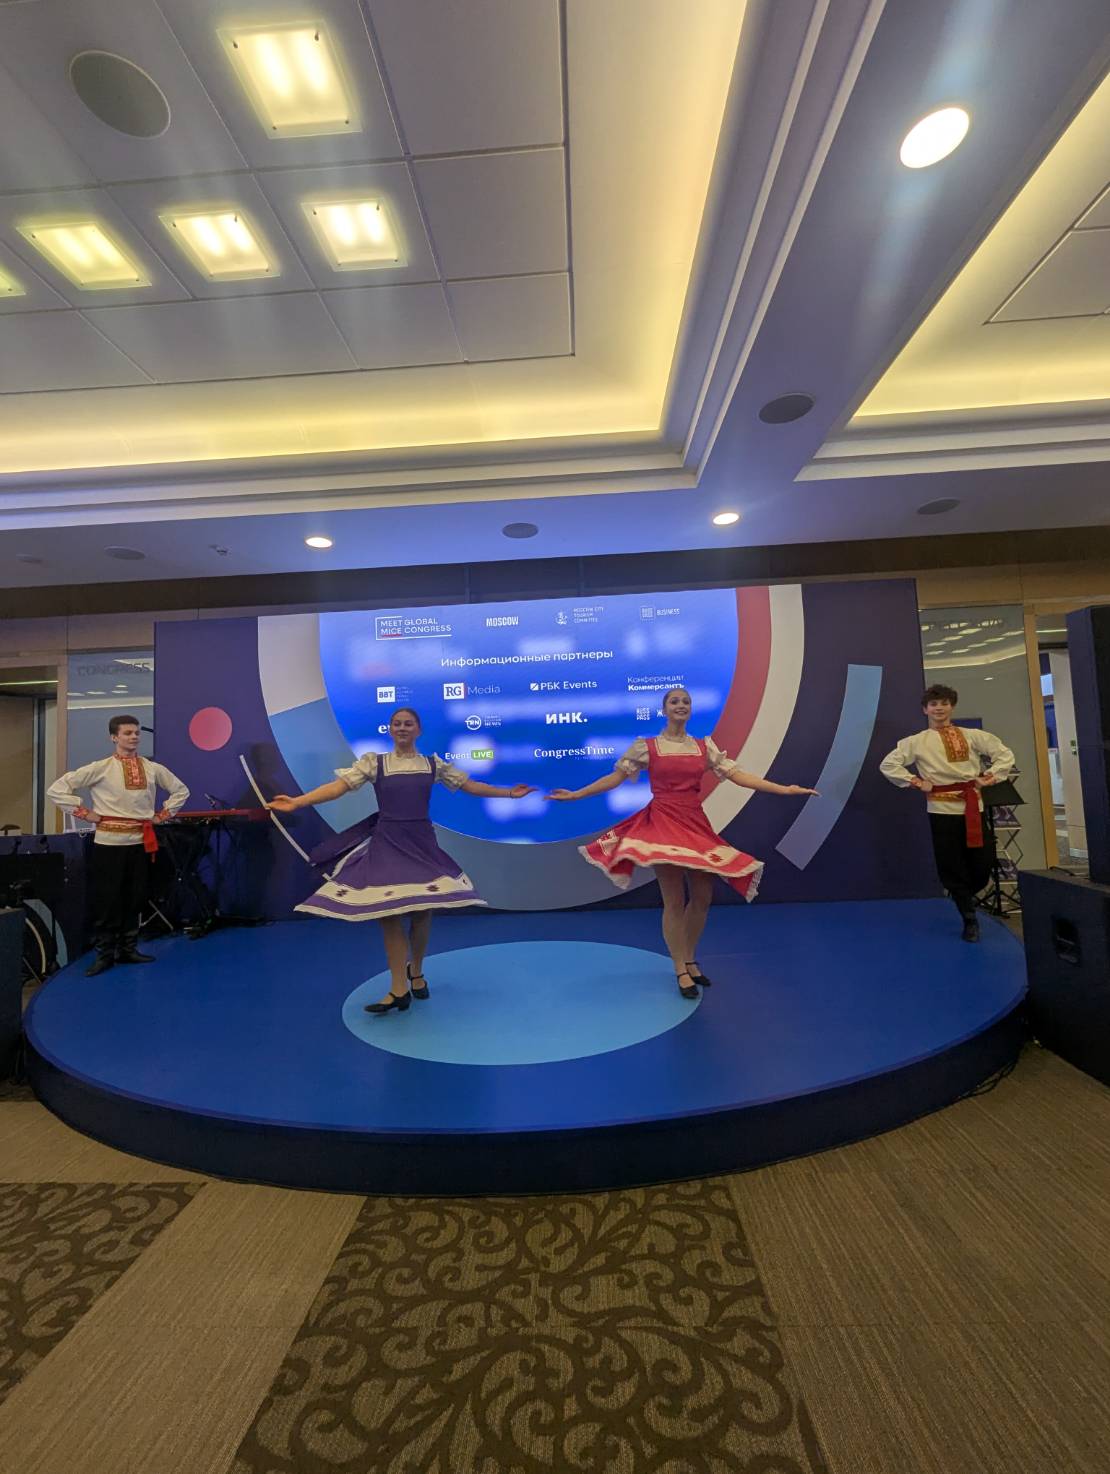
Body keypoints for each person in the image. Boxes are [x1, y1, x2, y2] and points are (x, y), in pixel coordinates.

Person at [548, 688, 817, 997]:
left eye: (686, 701)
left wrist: (784, 789)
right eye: (674, 701)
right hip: (663, 824)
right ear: (664, 710)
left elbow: (739, 776)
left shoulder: (703, 747)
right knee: (674, 899)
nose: (681, 705)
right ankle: (679, 968)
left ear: (691, 709)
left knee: (702, 897)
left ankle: (689, 958)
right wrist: (578, 794)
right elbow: (616, 778)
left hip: (694, 823)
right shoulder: (647, 746)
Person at [267, 707, 534, 1014]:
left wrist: (509, 794)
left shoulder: (433, 764)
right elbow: (338, 787)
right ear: (390, 729)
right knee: (389, 912)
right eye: (397, 724)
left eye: (408, 724)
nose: (402, 728)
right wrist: (298, 801)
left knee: (422, 911)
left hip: (421, 843)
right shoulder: (374, 763)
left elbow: (469, 786)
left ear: (418, 730)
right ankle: (398, 988)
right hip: (388, 842)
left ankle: (416, 971)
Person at [47, 714, 189, 976]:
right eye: (127, 733)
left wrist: (161, 815)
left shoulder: (152, 768)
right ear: (114, 737)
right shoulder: (100, 768)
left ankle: (128, 949)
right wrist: (85, 813)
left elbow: (181, 790)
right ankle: (104, 954)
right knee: (108, 899)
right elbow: (57, 789)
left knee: (135, 897)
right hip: (108, 844)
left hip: (139, 842)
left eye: (136, 733)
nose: (133, 737)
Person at [880, 683, 1015, 942]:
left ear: (952, 707)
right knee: (950, 864)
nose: (939, 708)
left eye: (944, 703)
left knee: (982, 864)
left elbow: (1004, 755)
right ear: (925, 710)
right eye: (933, 704)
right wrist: (916, 781)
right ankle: (969, 917)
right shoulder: (916, 741)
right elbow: (888, 765)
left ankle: (963, 896)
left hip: (973, 806)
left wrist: (989, 777)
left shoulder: (973, 735)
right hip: (941, 809)